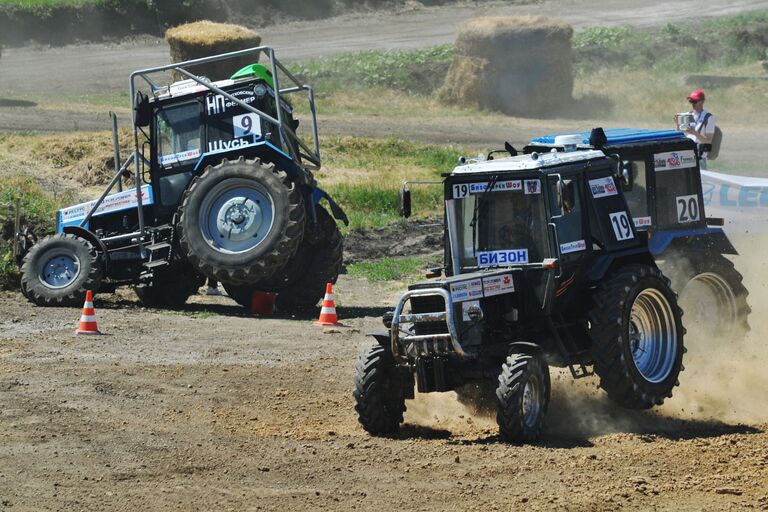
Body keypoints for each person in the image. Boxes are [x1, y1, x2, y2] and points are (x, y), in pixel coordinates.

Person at [682, 89, 716, 168]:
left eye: (695, 101)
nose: (693, 104)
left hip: (699, 156)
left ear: (702, 102)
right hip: (686, 155)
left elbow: (708, 141)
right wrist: (678, 124)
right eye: (691, 101)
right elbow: (680, 133)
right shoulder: (688, 115)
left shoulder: (708, 118)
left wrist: (694, 132)